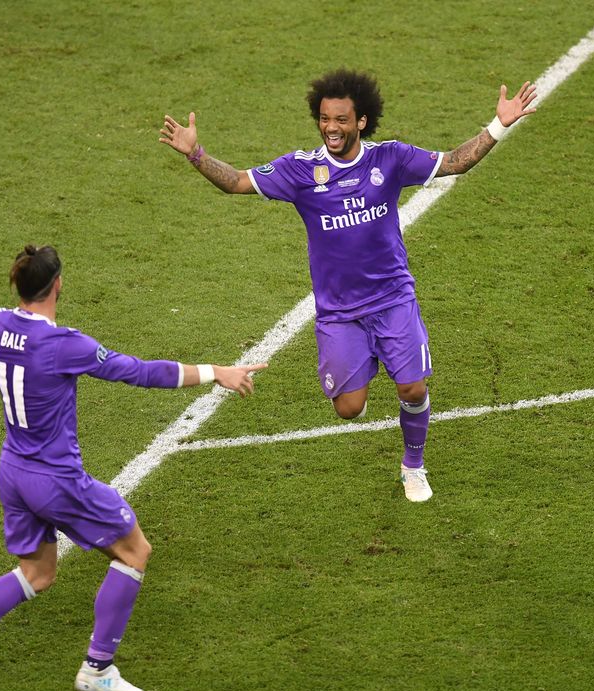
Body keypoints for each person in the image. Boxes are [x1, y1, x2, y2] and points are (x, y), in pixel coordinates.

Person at [0, 244, 267, 691]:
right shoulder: (64, 345)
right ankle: (98, 668)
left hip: (13, 471)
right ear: (58, 284)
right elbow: (139, 372)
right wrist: (216, 372)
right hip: (55, 479)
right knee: (135, 550)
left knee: (37, 574)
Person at [159, 69, 537, 503]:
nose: (331, 128)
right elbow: (238, 182)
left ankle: (413, 465)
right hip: (340, 312)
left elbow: (454, 162)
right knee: (348, 408)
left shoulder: (390, 158)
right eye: (324, 119)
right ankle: (369, 357)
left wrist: (498, 125)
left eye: (340, 120)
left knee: (413, 387)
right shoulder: (301, 170)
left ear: (361, 121)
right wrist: (195, 154)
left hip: (393, 298)